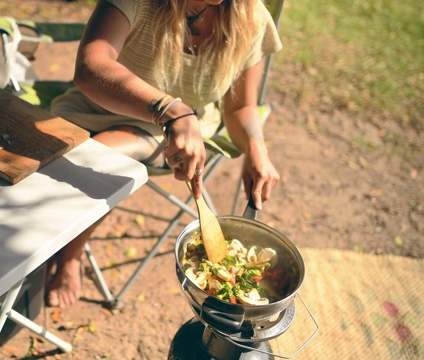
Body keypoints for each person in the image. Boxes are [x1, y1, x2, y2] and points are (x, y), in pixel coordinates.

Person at [45, 0, 282, 308]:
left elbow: (240, 107)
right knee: (70, 164)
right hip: (99, 106)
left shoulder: (250, 15)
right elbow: (91, 66)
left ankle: (70, 255)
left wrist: (256, 150)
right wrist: (169, 109)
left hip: (180, 132)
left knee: (100, 156)